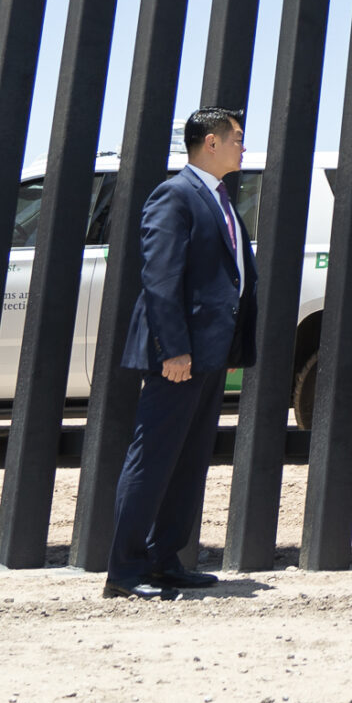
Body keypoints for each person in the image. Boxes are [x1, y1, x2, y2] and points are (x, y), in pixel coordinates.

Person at [104, 107, 259, 601]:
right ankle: (123, 575)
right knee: (152, 459)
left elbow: (230, 278)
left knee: (188, 462)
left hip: (209, 355)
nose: (242, 146)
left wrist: (229, 346)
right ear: (209, 142)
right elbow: (161, 278)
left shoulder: (220, 198)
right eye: (236, 137)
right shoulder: (175, 195)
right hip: (179, 356)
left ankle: (165, 560)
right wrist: (173, 349)